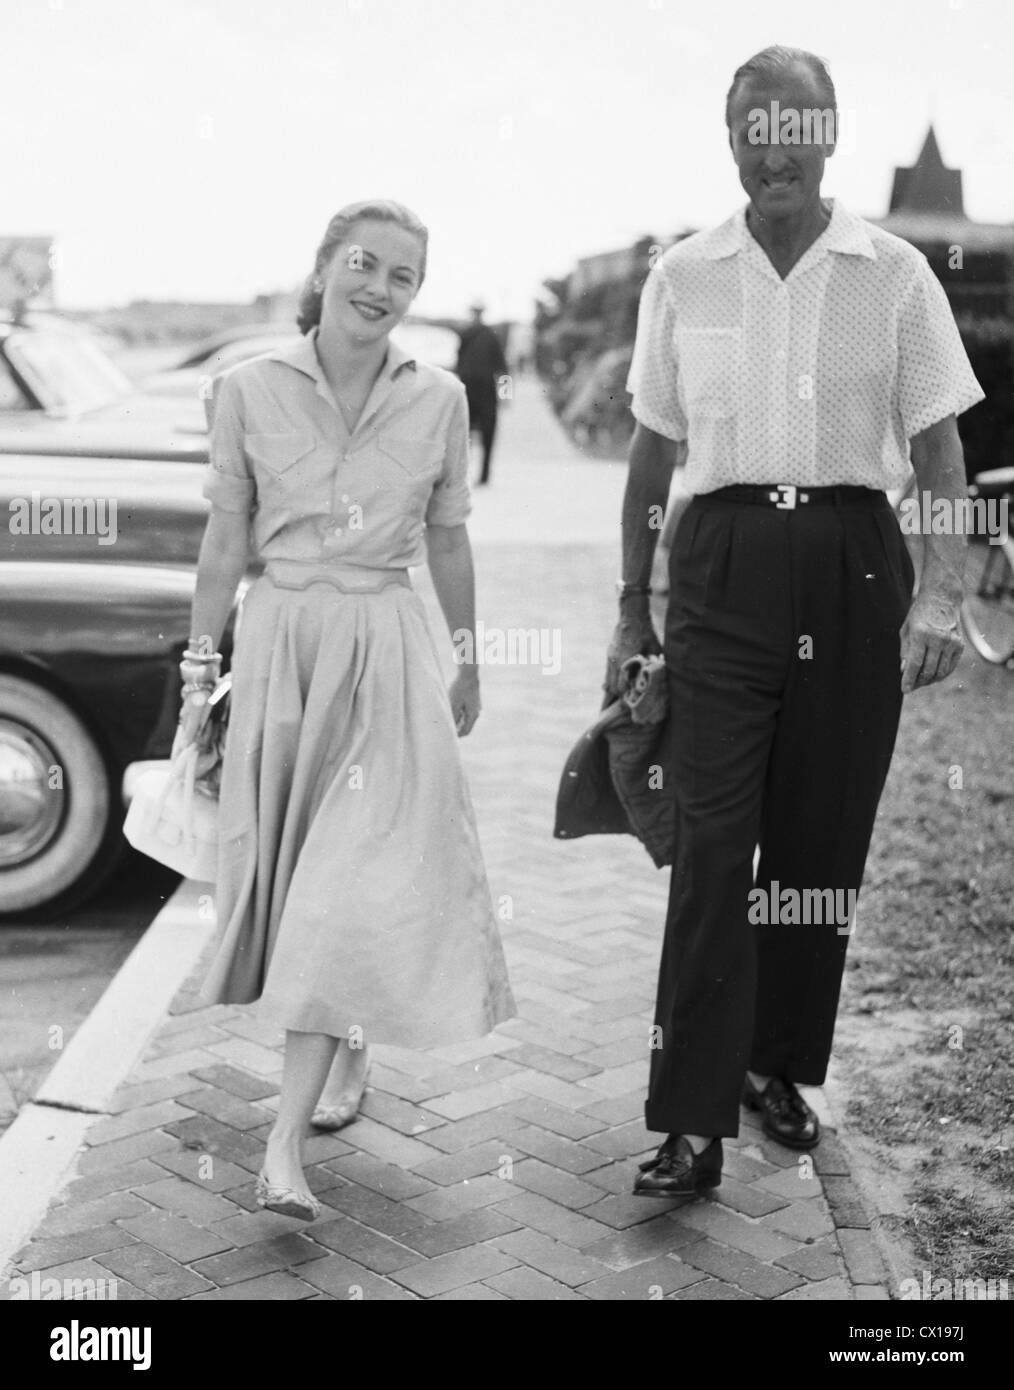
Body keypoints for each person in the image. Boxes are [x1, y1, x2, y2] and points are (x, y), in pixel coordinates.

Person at [609, 46, 984, 1197]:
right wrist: (633, 603)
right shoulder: (683, 274)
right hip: (720, 564)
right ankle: (689, 1119)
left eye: (797, 124)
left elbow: (938, 447)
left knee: (819, 843)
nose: (776, 146)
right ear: (730, 141)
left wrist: (940, 591)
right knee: (714, 846)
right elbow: (651, 452)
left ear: (831, 136)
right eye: (754, 126)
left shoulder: (896, 273)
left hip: (852, 560)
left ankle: (777, 1068)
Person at [178, 199, 516, 1221]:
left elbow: (449, 538)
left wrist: (466, 656)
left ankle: (281, 1153)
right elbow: (225, 540)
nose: (379, 287)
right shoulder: (241, 388)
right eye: (364, 263)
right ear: (324, 266)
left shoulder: (443, 398)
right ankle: (346, 1036)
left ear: (417, 294)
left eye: (403, 276)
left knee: (346, 881)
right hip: (282, 647)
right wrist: (200, 674)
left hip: (387, 650)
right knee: (299, 882)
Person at [455, 301, 508, 484]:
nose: (476, 316)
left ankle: (484, 475)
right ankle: (461, 475)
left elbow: (502, 367)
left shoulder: (490, 335)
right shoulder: (465, 334)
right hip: (468, 389)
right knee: (462, 435)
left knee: (488, 433)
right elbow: (458, 362)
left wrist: (505, 396)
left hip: (486, 390)